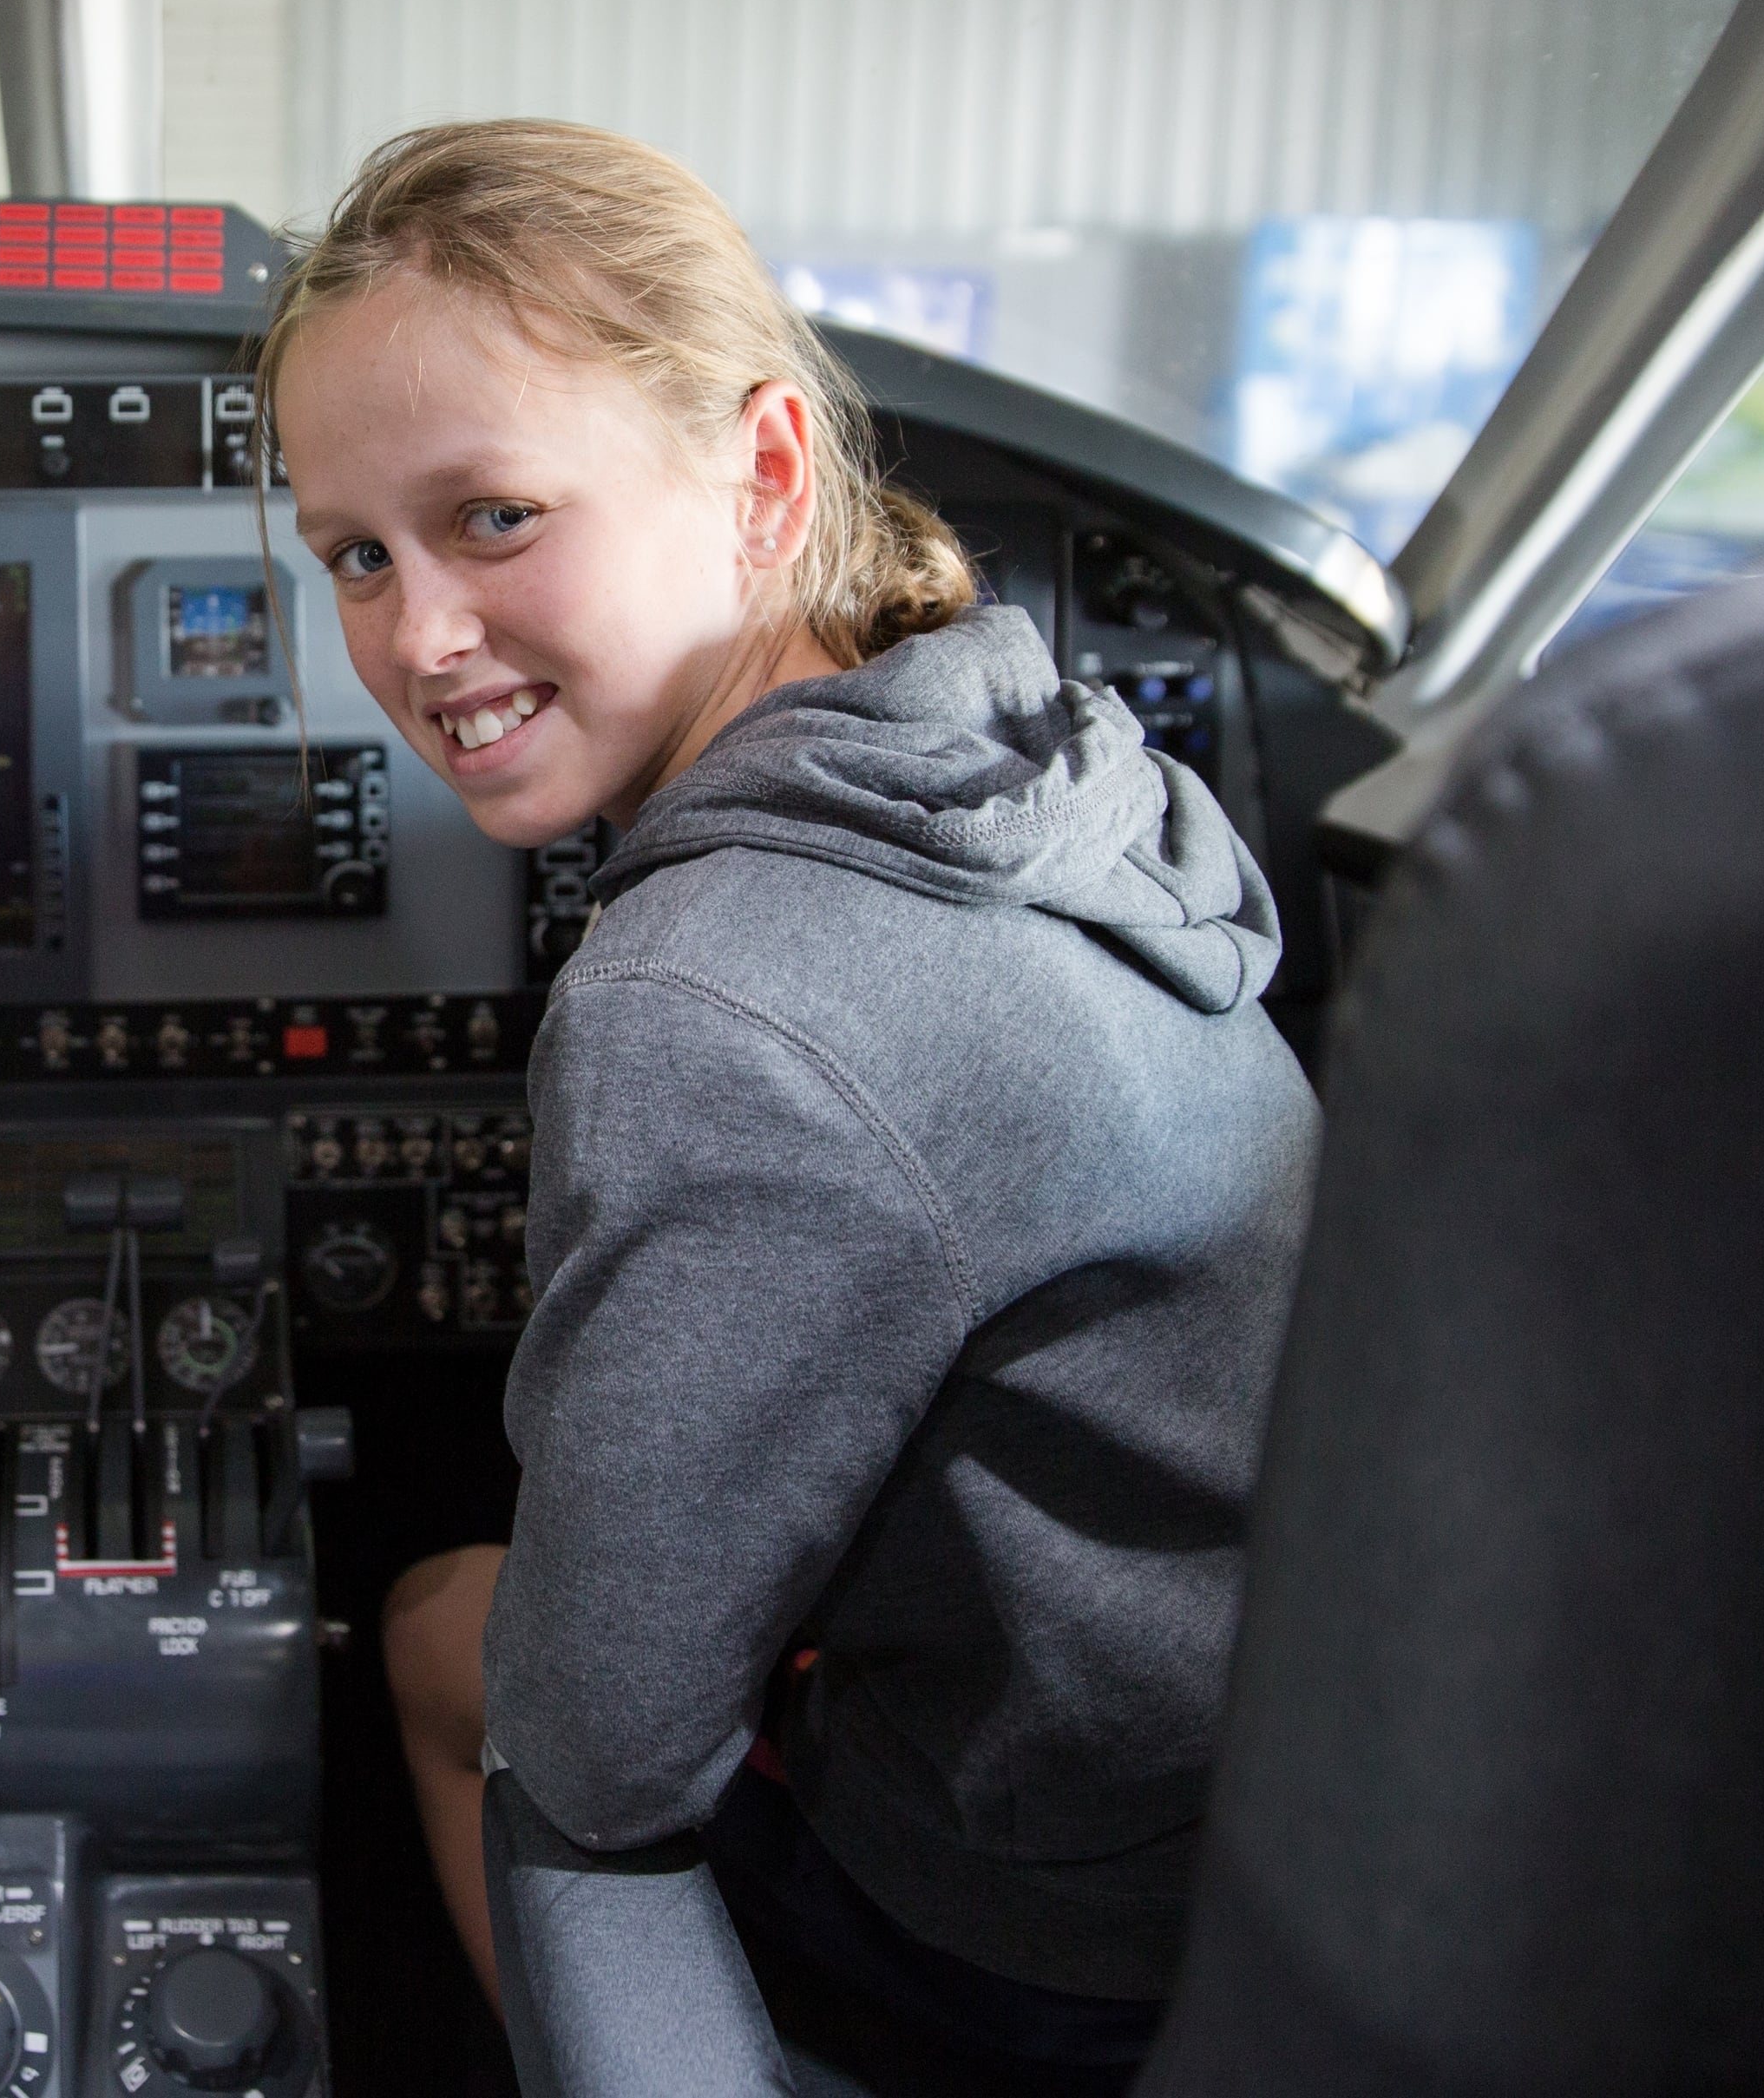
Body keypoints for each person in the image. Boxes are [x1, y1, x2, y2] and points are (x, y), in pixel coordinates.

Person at [264, 124, 1315, 2094]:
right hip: (1295, 1783)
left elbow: (599, 1741)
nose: (414, 641)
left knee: (428, 1634)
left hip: (1055, 1916)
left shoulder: (715, 996)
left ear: (760, 473)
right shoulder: (1022, 747)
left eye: (492, 515)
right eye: (355, 554)